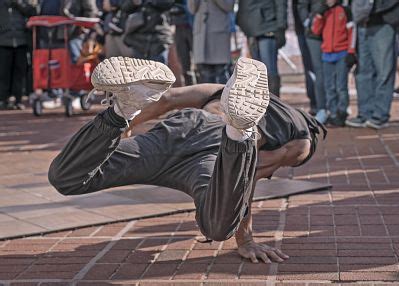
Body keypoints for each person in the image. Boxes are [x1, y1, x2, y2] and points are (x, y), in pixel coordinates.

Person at [48, 56, 326, 263]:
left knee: (68, 177)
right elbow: (244, 176)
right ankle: (238, 132)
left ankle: (121, 109)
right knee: (218, 226)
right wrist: (246, 239)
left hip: (182, 128)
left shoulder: (226, 90)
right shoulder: (301, 141)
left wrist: (125, 127)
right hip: (216, 152)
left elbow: (168, 97)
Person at [345, 0, 399, 129]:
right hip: (362, 21)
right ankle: (365, 113)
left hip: (384, 21)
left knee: (384, 71)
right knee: (363, 71)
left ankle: (380, 115)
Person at [311, 0, 355, 127]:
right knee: (329, 86)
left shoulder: (345, 10)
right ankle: (333, 113)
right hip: (327, 55)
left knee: (341, 86)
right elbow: (315, 31)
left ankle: (342, 112)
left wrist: (351, 51)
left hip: (342, 53)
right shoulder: (323, 11)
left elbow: (352, 32)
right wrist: (319, 15)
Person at [237, 0, 288, 97]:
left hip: (268, 28)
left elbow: (281, 3)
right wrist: (241, 21)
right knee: (257, 72)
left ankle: (274, 106)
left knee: (269, 71)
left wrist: (281, 27)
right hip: (251, 28)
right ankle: (261, 105)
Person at [0, 0, 36, 110]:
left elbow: (33, 12)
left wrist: (19, 4)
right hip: (3, 43)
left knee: (19, 73)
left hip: (21, 43)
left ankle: (18, 100)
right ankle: (3, 99)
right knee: (3, 73)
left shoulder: (22, 3)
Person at [188, 0, 234, 84]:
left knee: (221, 73)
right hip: (201, 35)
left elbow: (229, 6)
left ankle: (224, 96)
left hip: (219, 36)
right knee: (205, 76)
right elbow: (191, 9)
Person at [297, 0, 328, 124]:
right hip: (315, 29)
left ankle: (338, 107)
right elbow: (302, 4)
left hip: (336, 24)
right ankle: (321, 107)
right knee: (318, 69)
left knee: (336, 68)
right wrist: (309, 22)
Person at [121, 0, 174, 64]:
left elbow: (169, 3)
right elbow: (124, 7)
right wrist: (134, 2)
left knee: (158, 72)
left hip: (158, 41)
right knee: (139, 71)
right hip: (138, 42)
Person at [293, 0, 317, 115]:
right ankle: (315, 103)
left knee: (319, 67)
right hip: (303, 27)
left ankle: (323, 105)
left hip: (317, 25)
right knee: (309, 67)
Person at [170, 0, 193, 85]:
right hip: (178, 28)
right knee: (184, 64)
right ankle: (190, 88)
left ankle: (202, 89)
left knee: (201, 65)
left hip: (192, 27)